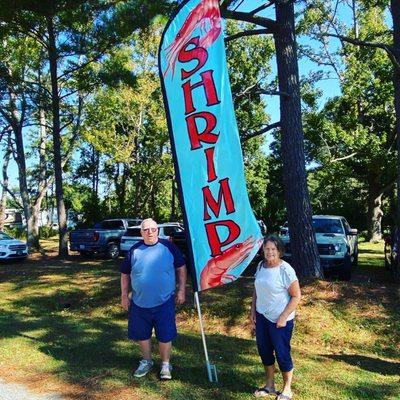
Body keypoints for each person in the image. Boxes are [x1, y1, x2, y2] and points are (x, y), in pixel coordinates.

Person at [120, 218, 187, 380]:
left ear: (157, 230)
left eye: (153, 229)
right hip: (139, 302)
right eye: (146, 230)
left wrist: (182, 290)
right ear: (141, 232)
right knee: (142, 334)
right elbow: (124, 274)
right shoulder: (134, 250)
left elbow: (181, 268)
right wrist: (124, 296)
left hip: (164, 302)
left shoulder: (168, 247)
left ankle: (165, 365)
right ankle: (147, 361)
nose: (150, 232)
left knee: (165, 334)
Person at [250, 235, 301, 399]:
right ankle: (270, 386)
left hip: (280, 320)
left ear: (279, 251)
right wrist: (252, 312)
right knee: (264, 351)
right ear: (263, 250)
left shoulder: (286, 270)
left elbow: (296, 296)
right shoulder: (260, 266)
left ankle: (287, 389)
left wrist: (284, 317)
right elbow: (256, 291)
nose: (270, 252)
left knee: (282, 353)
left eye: (273, 249)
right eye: (267, 249)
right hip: (262, 317)